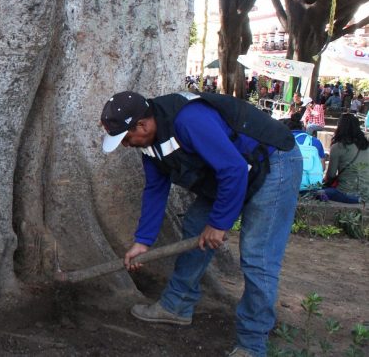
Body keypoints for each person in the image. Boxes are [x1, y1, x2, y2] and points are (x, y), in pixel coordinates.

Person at [100, 91, 301, 357]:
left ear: (142, 125)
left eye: (126, 138)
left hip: (274, 163)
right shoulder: (149, 145)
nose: (126, 145)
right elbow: (155, 190)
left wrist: (219, 223)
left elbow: (234, 170)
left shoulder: (189, 121)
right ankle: (177, 305)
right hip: (237, 170)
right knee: (196, 225)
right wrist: (143, 241)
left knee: (257, 256)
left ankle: (252, 345)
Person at [322, 113, 369, 203]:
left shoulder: (337, 147)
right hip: (366, 194)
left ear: (340, 127)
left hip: (347, 193)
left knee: (317, 193)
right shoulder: (366, 145)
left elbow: (331, 175)